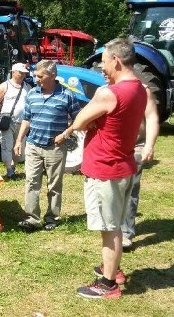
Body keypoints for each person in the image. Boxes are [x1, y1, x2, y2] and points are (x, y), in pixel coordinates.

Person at [68, 38, 147, 299]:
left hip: (106, 169)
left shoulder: (109, 92)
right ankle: (113, 269)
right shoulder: (140, 88)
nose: (102, 68)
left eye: (103, 61)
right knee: (114, 224)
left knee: (110, 227)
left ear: (116, 60)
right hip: (123, 164)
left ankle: (108, 284)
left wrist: (91, 121)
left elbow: (79, 121)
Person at [14, 59, 80, 231]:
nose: (36, 79)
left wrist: (65, 135)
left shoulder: (67, 95)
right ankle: (32, 218)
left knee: (54, 184)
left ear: (52, 75)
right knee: (31, 182)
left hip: (55, 147)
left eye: (40, 76)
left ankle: (52, 217)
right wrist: (19, 140)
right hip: (33, 145)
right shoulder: (32, 94)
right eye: (35, 76)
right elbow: (26, 119)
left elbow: (78, 120)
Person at [99, 65, 160, 250]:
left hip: (134, 148)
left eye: (105, 69)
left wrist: (149, 145)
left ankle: (125, 233)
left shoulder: (141, 90)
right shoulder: (104, 91)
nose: (103, 73)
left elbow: (151, 118)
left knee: (130, 190)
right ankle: (111, 230)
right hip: (109, 150)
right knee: (109, 192)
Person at [0, 62, 31, 178]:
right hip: (7, 121)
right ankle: (9, 170)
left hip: (22, 122)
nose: (23, 75)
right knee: (6, 146)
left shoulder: (27, 87)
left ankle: (13, 165)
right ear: (14, 73)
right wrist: (2, 112)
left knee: (19, 146)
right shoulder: (5, 86)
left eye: (24, 73)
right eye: (21, 73)